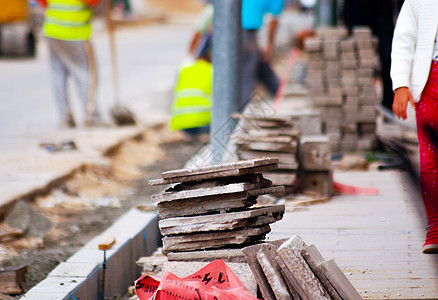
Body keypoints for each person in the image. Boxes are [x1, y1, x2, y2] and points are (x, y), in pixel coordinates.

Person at [391, 0, 438, 253]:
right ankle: (436, 226)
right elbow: (403, 40)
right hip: (430, 82)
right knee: (430, 157)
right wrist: (401, 84)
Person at [36, 0, 103, 128]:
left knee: (58, 74)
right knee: (86, 73)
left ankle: (64, 118)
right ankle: (92, 117)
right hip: (74, 31)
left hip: (52, 29)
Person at [342, 0, 395, 113]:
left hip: (382, 11)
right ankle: (357, 104)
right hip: (356, 11)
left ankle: (388, 106)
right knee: (356, 60)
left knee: (388, 58)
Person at [240, 0, 284, 109]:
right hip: (246, 33)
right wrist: (270, 44)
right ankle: (243, 110)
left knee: (258, 67)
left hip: (238, 32)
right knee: (246, 76)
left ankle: (281, 95)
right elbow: (273, 19)